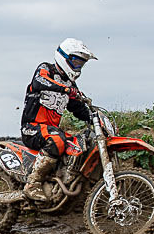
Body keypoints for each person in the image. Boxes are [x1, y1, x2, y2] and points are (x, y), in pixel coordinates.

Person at [20, 38, 97, 201]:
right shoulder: (45, 69)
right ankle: (32, 183)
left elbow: (77, 109)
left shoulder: (71, 85)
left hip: (50, 130)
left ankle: (64, 181)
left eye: (81, 64)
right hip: (32, 128)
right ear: (64, 57)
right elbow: (40, 81)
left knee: (80, 143)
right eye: (76, 62)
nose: (78, 67)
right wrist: (66, 89)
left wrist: (94, 118)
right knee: (57, 139)